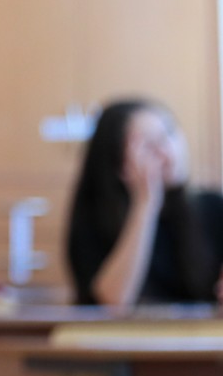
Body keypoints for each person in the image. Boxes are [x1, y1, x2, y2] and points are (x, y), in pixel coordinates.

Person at [66, 99, 223, 310]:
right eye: (150, 145)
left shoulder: (212, 207)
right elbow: (114, 302)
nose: (168, 152)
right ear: (119, 164)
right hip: (121, 340)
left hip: (198, 339)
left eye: (169, 133)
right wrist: (145, 204)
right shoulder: (94, 219)